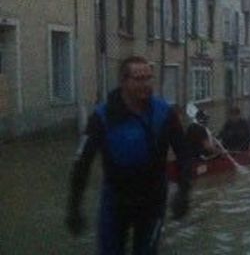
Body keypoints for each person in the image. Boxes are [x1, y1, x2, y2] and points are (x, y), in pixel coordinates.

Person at [66, 56, 191, 255]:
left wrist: (184, 192)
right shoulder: (101, 117)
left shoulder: (165, 113)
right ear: (124, 81)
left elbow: (184, 154)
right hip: (116, 201)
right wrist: (74, 205)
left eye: (149, 78)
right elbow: (82, 162)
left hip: (153, 201)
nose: (146, 84)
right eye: (138, 79)